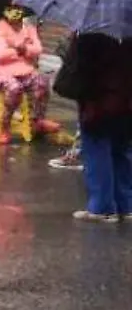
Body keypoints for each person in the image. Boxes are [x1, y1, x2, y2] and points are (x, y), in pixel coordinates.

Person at [53, 34, 132, 222]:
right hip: (127, 105)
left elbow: (79, 72)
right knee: (122, 152)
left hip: (98, 107)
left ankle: (102, 208)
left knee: (98, 153)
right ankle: (127, 206)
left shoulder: (92, 37)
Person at [0, 6, 60, 144]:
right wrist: (21, 49)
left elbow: (38, 49)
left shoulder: (29, 28)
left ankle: (37, 120)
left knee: (42, 82)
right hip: (1, 73)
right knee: (14, 88)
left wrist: (19, 48)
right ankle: (4, 124)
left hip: (25, 71)